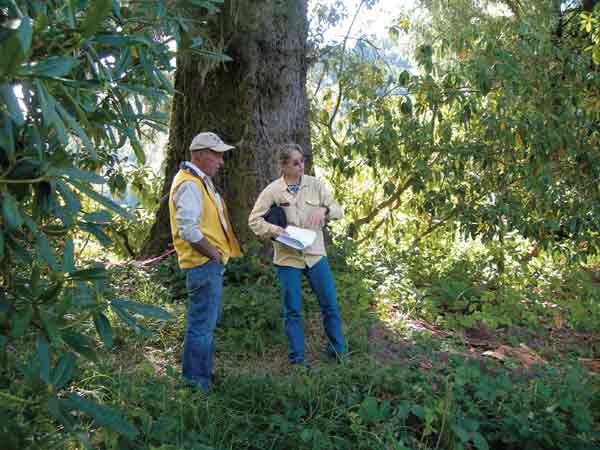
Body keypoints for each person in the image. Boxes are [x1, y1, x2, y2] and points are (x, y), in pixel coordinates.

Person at [248, 143, 346, 366]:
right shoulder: (273, 190)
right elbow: (254, 220)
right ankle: (298, 362)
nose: (301, 165)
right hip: (287, 258)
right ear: (283, 165)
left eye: (302, 160)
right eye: (295, 162)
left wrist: (325, 210)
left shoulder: (316, 185)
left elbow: (338, 209)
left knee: (330, 305)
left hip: (315, 254)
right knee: (292, 310)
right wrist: (274, 229)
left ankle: (338, 353)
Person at [168, 131, 242, 391]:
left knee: (203, 325)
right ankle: (196, 384)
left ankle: (201, 377)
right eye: (217, 155)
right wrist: (214, 254)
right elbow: (188, 229)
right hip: (203, 264)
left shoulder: (200, 181)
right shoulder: (190, 184)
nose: (221, 161)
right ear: (200, 155)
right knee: (201, 327)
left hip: (207, 265)